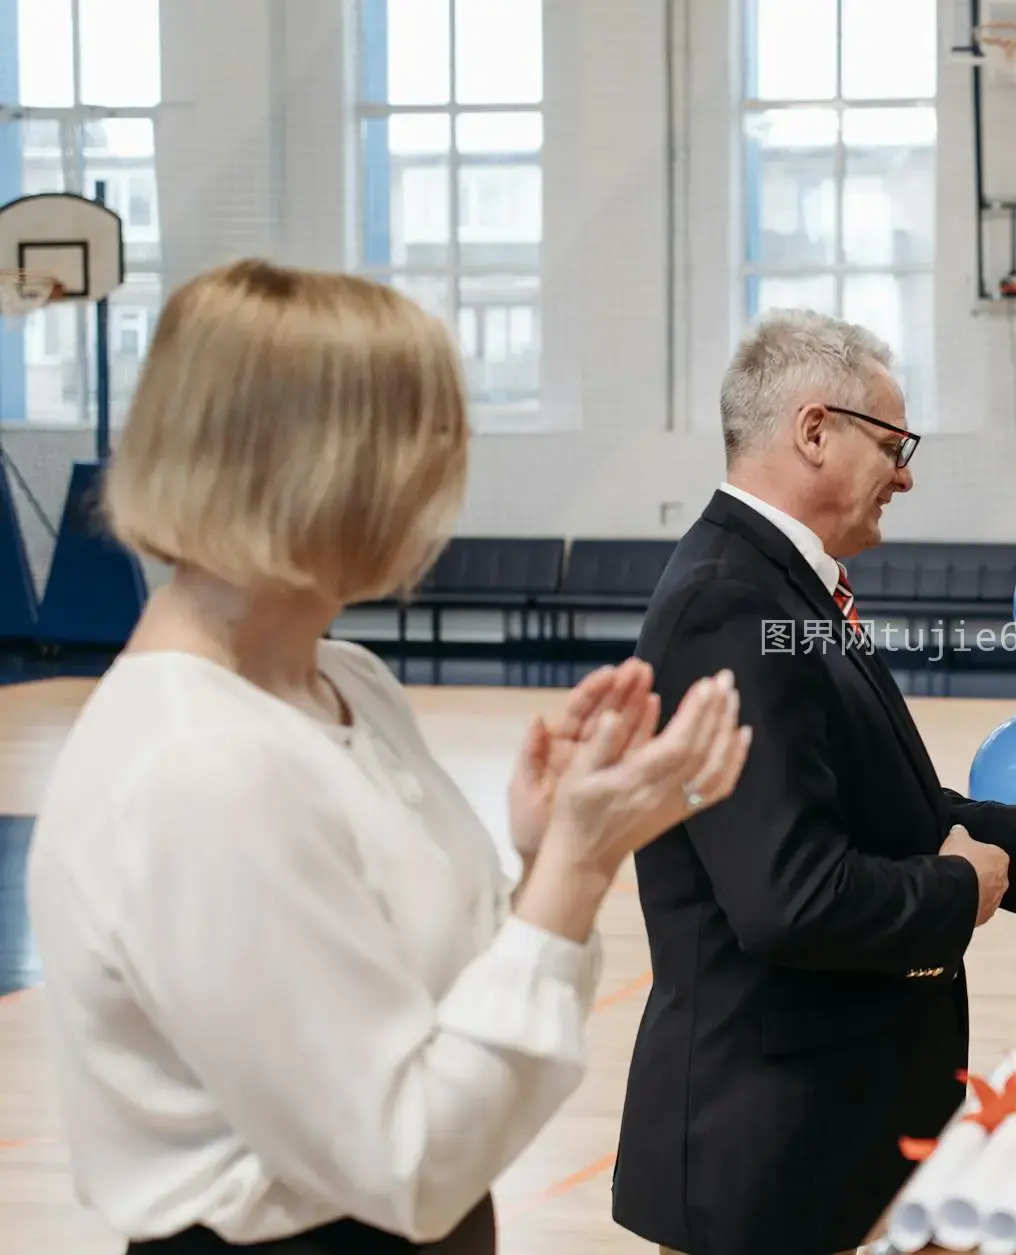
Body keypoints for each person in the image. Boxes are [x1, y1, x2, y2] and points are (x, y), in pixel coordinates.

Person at [25, 260, 750, 1255]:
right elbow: (405, 1160)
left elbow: (452, 1017)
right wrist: (578, 869)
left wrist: (543, 858)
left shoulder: (346, 682)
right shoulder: (197, 767)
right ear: (323, 469)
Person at [609, 309, 1016, 1255]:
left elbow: (857, 801)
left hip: (821, 1129)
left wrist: (1012, 836)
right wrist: (959, 886)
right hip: (767, 1148)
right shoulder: (732, 603)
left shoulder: (778, 586)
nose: (907, 473)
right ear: (815, 431)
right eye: (894, 444)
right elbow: (791, 897)